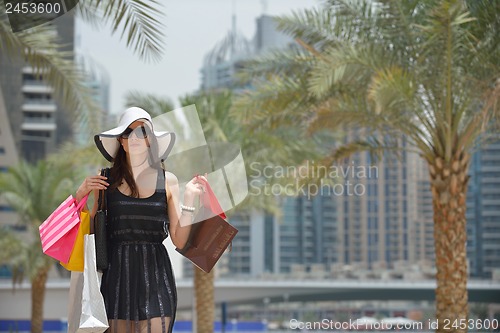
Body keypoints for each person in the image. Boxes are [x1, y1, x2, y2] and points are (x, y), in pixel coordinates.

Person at [75, 107, 205, 333]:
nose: (134, 137)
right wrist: (80, 195)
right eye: (128, 133)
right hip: (117, 276)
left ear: (149, 141)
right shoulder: (106, 180)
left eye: (141, 131)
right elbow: (90, 230)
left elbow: (179, 241)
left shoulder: (168, 181)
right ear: (121, 142)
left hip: (156, 277)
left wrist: (190, 199)